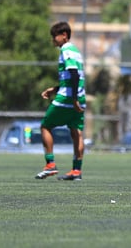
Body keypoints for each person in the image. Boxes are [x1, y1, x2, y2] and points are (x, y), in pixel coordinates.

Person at [35, 22, 86, 181]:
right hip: (79, 96)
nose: (53, 40)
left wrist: (73, 99)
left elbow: (74, 74)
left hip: (68, 99)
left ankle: (50, 164)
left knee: (45, 125)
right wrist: (55, 89)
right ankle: (76, 170)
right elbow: (72, 77)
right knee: (76, 131)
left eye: (54, 36)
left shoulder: (66, 49)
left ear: (64, 35)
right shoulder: (76, 51)